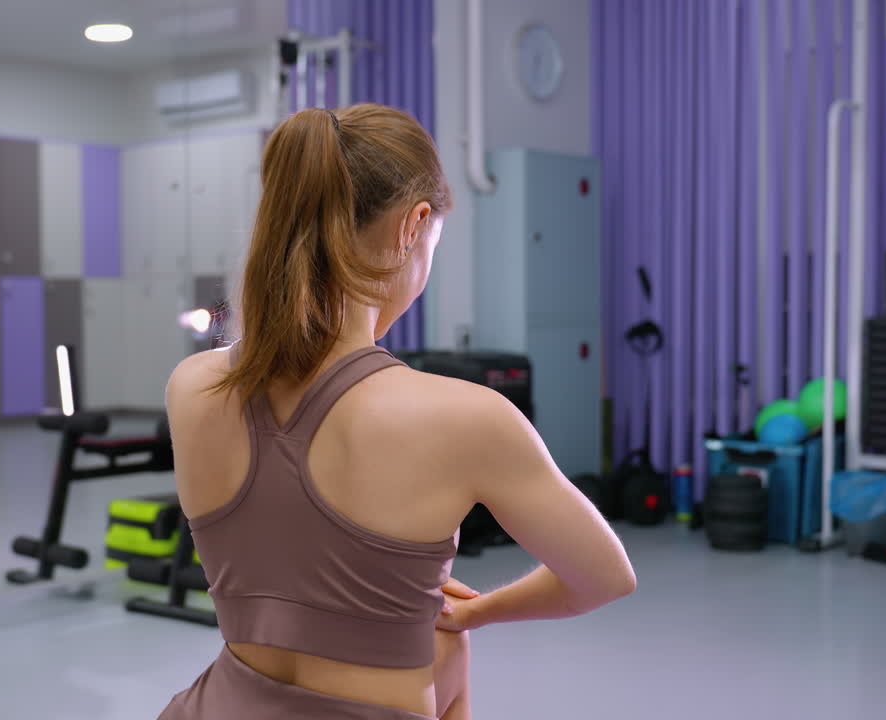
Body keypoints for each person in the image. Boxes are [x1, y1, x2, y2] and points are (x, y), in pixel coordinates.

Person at [160, 104, 636, 720]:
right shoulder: (467, 418)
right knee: (451, 656)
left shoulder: (191, 387)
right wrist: (473, 611)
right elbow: (603, 576)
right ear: (413, 227)